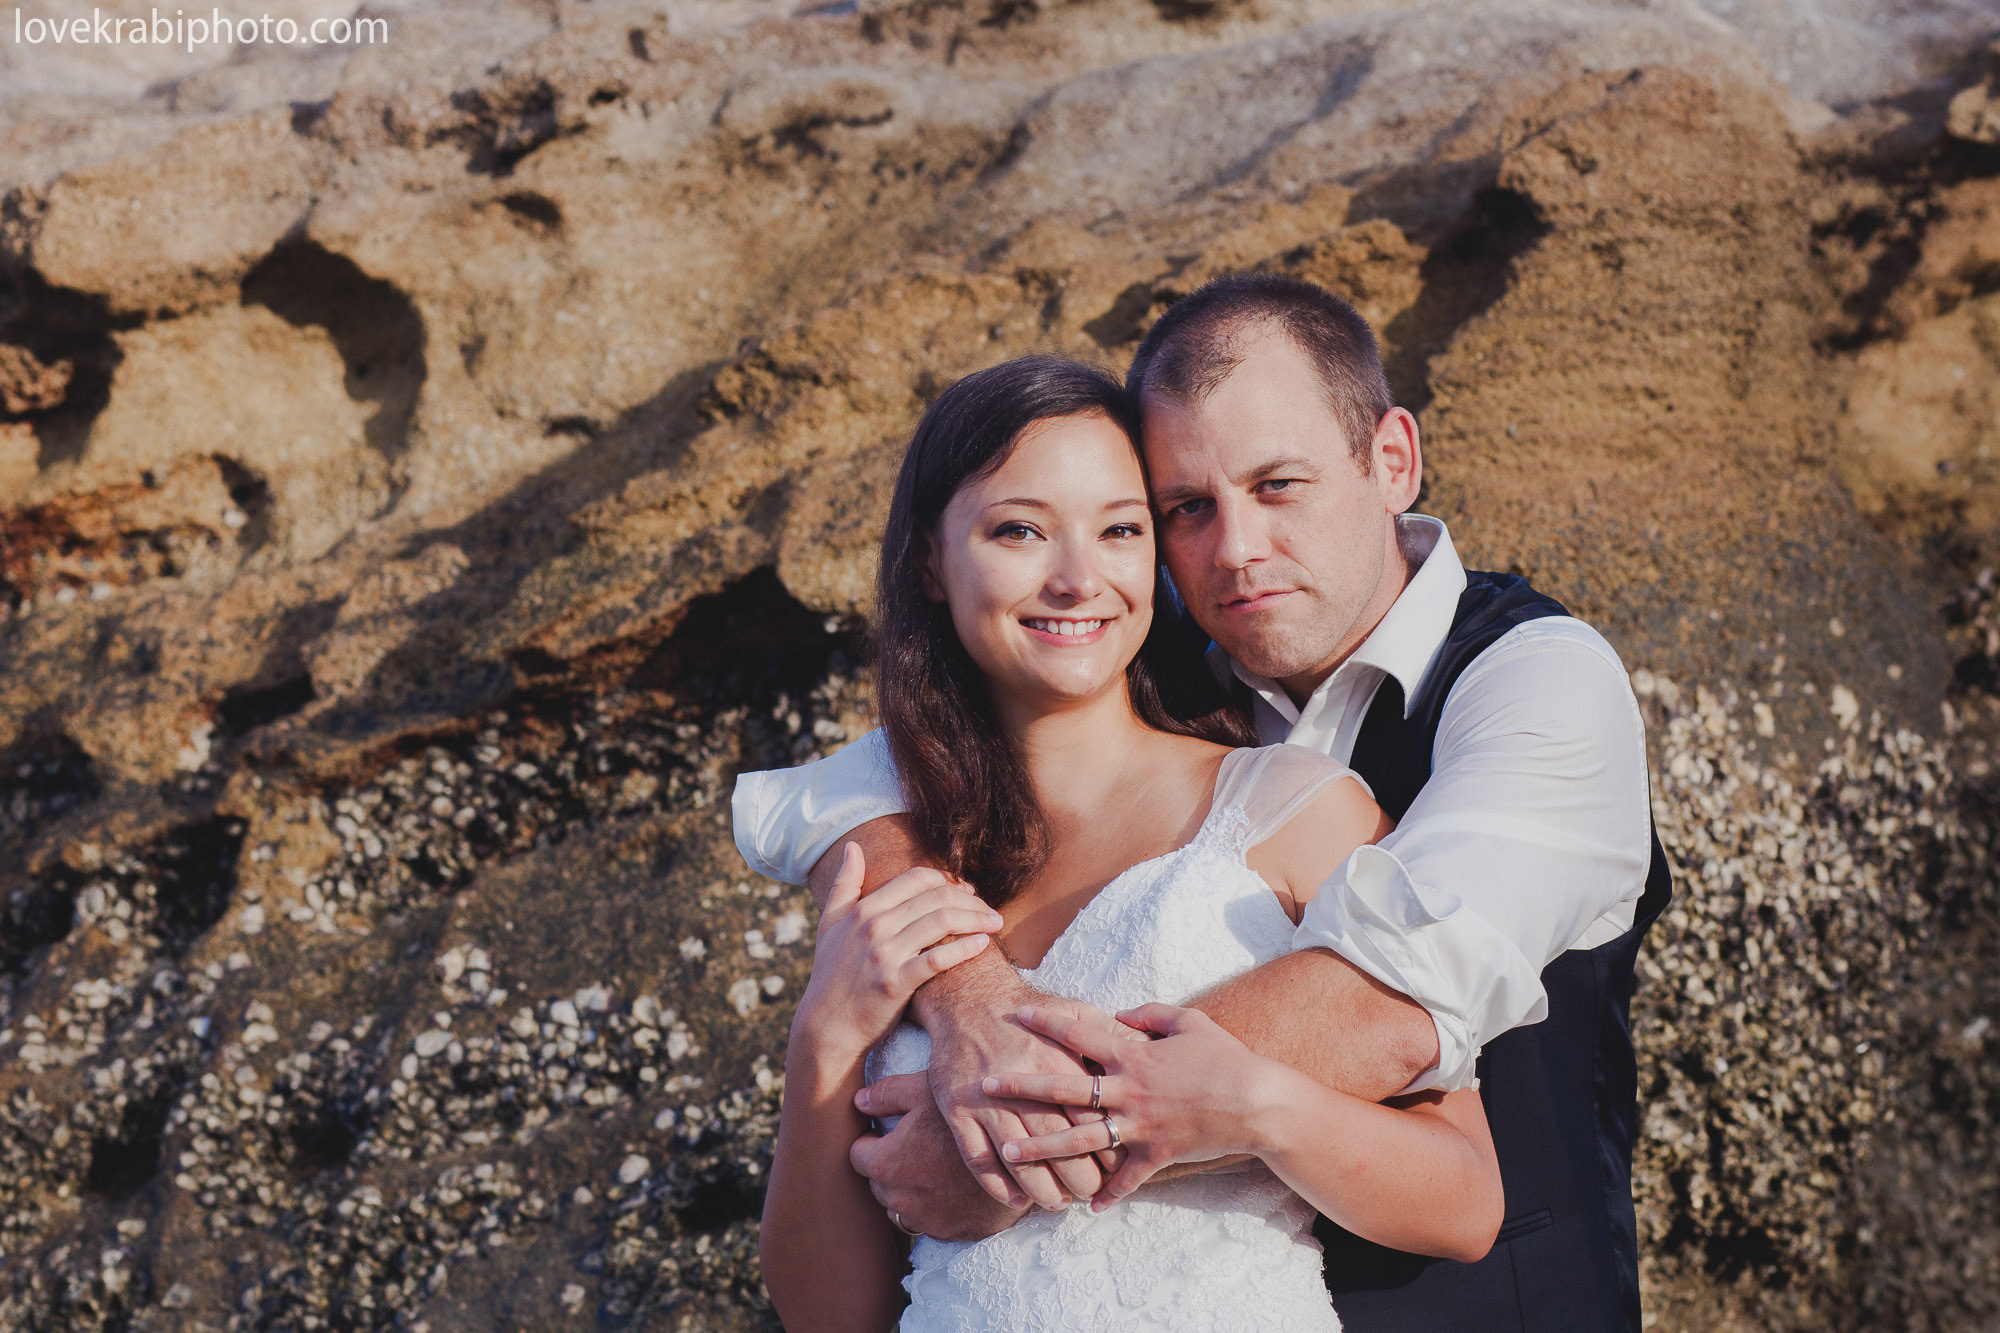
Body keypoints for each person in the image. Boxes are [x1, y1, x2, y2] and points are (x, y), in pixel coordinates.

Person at [737, 274, 1671, 1331]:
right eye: (1184, 508)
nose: (1230, 550)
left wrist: (996, 1144)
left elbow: (1383, 1005)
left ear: (1391, 462)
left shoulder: (1533, 682)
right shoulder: (1139, 652)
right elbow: (844, 791)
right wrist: (959, 994)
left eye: (1279, 485)